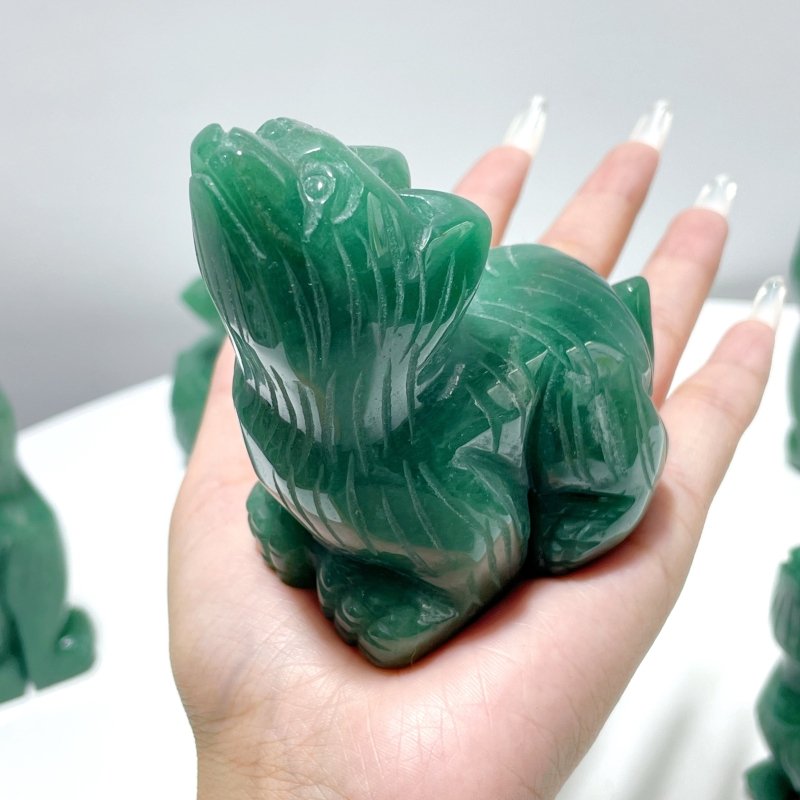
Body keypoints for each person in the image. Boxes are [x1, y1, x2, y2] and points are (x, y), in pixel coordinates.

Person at [168, 98, 783, 800]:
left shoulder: (421, 464)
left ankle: (605, 494)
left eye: (317, 193)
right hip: (498, 297)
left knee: (585, 407)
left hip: (576, 346)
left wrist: (426, 588)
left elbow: (478, 544)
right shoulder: (260, 397)